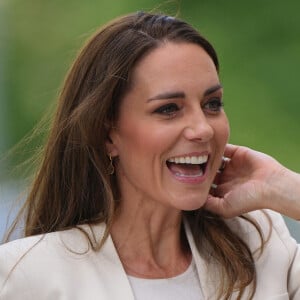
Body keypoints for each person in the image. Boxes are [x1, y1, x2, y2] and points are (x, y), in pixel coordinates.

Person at [0, 11, 299, 300]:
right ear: (107, 135)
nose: (203, 129)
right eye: (168, 109)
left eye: (212, 104)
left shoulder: (260, 244)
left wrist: (283, 188)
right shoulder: (25, 275)